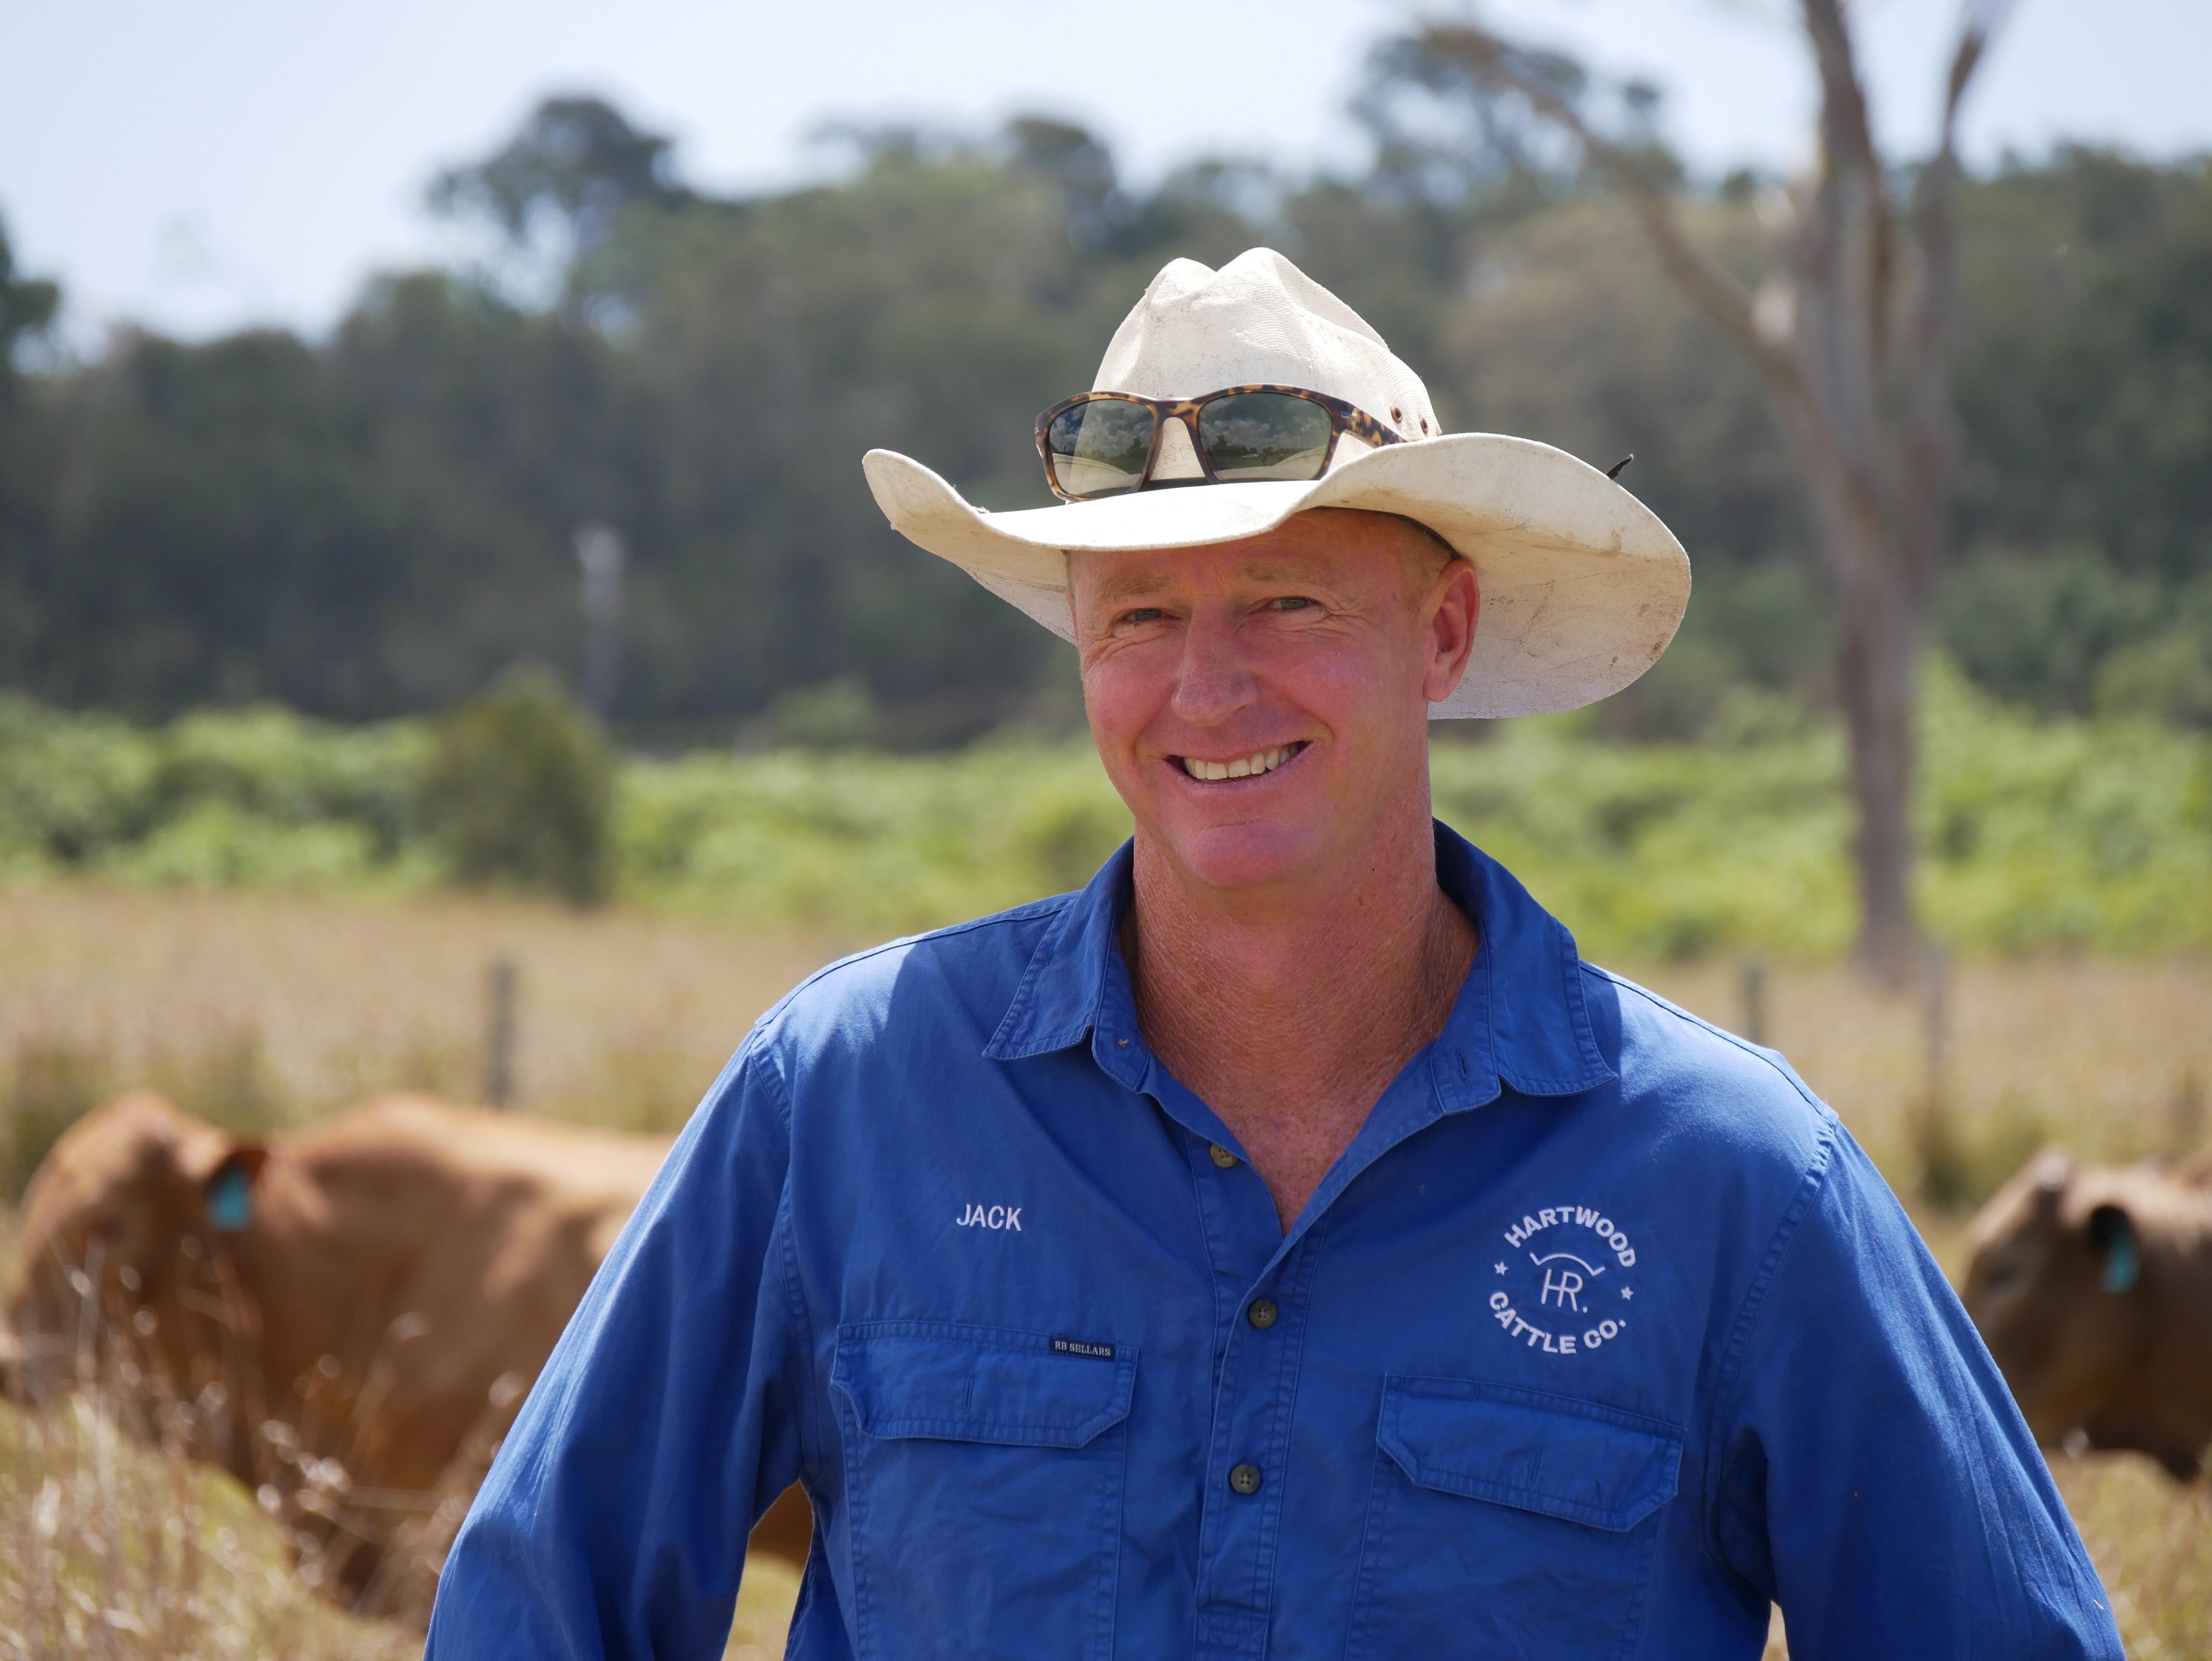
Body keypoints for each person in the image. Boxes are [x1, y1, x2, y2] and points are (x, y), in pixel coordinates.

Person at [426, 250, 2120, 1659]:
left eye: (1288, 604)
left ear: (1440, 631)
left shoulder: (1736, 1180)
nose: (1207, 690)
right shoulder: (846, 1097)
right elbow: (538, 1610)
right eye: (1141, 619)